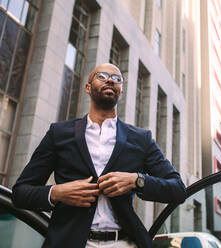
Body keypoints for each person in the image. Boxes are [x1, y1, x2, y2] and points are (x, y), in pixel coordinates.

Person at [12, 63, 187, 248]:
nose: (111, 80)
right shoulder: (59, 133)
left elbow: (178, 190)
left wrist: (137, 180)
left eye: (117, 79)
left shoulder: (141, 139)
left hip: (124, 243)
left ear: (121, 91)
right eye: (102, 76)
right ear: (88, 88)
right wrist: (57, 192)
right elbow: (20, 193)